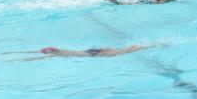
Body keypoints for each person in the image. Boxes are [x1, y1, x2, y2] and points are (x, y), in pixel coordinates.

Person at [10, 45, 147, 61]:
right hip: (91, 52)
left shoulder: (58, 54)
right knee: (124, 51)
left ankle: (143, 46)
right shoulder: (59, 51)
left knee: (123, 52)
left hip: (92, 53)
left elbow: (36, 58)